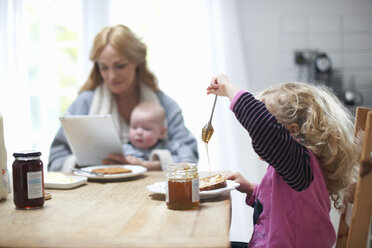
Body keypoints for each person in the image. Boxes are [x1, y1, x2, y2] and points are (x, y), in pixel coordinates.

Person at [206, 74, 360, 248]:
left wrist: (229, 88)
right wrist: (251, 189)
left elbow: (260, 126)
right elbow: (283, 204)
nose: (256, 137)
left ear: (292, 131)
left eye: (273, 125)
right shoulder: (297, 166)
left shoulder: (299, 162)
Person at [48, 24, 198, 172]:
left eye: (120, 66)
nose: (112, 76)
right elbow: (54, 160)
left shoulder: (166, 106)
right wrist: (86, 164)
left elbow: (190, 157)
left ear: (137, 61)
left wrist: (149, 166)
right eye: (104, 67)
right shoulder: (84, 104)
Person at [123, 101, 172, 170]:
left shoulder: (165, 146)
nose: (139, 132)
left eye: (146, 129)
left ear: (161, 133)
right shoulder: (125, 149)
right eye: (134, 127)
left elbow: (184, 150)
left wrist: (185, 161)